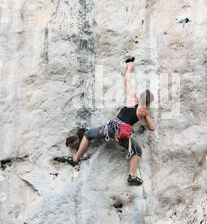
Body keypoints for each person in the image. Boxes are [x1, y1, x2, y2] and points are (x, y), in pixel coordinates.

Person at [64, 57, 155, 186]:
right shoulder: (145, 112)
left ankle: (75, 159)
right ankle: (132, 176)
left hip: (110, 129)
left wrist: (130, 66)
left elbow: (126, 79)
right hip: (122, 135)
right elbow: (152, 128)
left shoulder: (131, 98)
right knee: (138, 151)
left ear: (140, 96)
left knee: (88, 135)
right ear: (149, 102)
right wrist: (145, 122)